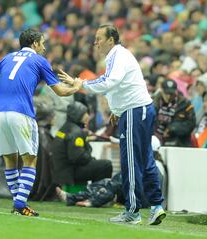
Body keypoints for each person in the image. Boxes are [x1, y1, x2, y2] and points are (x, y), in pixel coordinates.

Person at [58, 24, 166, 225]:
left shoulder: (117, 55)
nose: (95, 42)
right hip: (138, 110)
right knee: (145, 160)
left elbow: (110, 82)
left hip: (135, 110)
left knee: (130, 162)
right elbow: (119, 85)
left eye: (99, 38)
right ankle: (156, 206)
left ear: (111, 39)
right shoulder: (117, 56)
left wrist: (82, 84)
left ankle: (132, 211)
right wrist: (116, 111)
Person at [0, 28, 82, 216]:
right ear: (35, 43)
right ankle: (21, 204)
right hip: (21, 113)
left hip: (0, 112)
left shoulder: (5, 59)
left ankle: (18, 204)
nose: (44, 47)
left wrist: (5, 95)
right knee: (30, 159)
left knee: (10, 160)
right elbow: (61, 92)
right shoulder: (40, 61)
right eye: (43, 43)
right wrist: (77, 86)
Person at [51, 101, 113, 186]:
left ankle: (93, 192)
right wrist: (91, 158)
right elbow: (78, 157)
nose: (88, 116)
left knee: (98, 165)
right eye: (85, 113)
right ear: (77, 115)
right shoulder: (75, 132)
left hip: (62, 172)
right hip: (70, 173)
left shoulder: (65, 128)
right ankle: (97, 194)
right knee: (106, 165)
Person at [153, 79, 196, 147]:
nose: (169, 96)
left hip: (178, 143)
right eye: (166, 93)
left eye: (171, 93)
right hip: (154, 141)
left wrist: (172, 129)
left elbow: (191, 123)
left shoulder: (185, 104)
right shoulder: (152, 102)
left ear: (176, 91)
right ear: (161, 91)